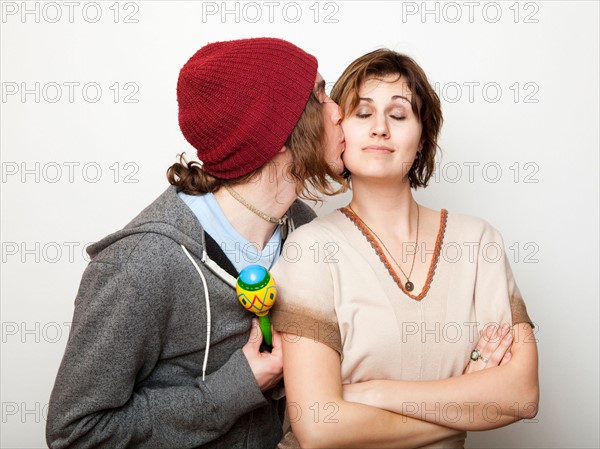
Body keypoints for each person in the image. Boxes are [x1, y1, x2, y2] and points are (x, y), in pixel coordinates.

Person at [46, 37, 346, 449]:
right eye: (320, 95)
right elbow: (76, 434)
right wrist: (238, 384)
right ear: (274, 131)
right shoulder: (139, 266)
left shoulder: (303, 230)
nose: (339, 111)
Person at [271, 49, 539, 448]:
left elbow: (521, 395)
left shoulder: (478, 243)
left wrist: (374, 392)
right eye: (363, 114)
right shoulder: (309, 249)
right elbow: (319, 428)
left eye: (398, 115)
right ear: (340, 130)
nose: (380, 128)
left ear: (422, 137)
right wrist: (467, 398)